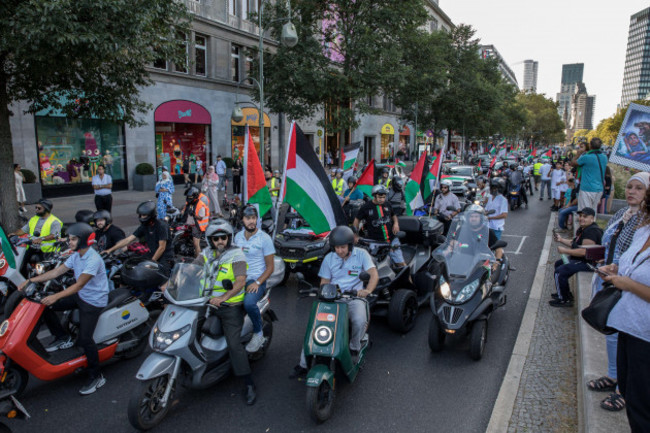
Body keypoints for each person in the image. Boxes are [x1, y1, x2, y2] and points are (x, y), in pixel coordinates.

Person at [19, 223, 108, 395]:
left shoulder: (93, 259)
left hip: (94, 301)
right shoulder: (76, 256)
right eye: (69, 239)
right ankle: (63, 337)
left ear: (82, 240)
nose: (70, 242)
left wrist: (56, 296)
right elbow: (56, 272)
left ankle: (96, 376)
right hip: (81, 296)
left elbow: (79, 285)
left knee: (86, 339)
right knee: (46, 306)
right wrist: (31, 281)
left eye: (73, 239)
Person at [586, 172, 649, 413]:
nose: (631, 191)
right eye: (629, 187)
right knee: (612, 332)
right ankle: (614, 376)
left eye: (639, 188)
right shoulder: (623, 214)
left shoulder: (644, 221)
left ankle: (622, 389)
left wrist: (622, 275)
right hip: (611, 275)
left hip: (625, 285)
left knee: (623, 337)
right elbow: (613, 243)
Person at [290, 225, 379, 378]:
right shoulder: (329, 258)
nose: (339, 251)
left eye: (343, 247)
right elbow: (324, 281)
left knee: (359, 319)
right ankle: (303, 364)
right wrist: (325, 291)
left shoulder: (362, 254)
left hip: (353, 298)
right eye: (337, 247)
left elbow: (373, 275)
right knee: (314, 325)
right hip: (333, 297)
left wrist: (367, 291)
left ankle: (354, 347)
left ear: (350, 245)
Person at [599, 191, 650, 432]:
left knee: (643, 407)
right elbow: (635, 266)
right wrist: (617, 268)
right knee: (632, 396)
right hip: (628, 326)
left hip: (646, 335)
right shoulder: (643, 232)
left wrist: (626, 283)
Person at [194, 219, 257, 405]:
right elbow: (191, 270)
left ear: (228, 238)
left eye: (223, 237)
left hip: (229, 306)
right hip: (205, 303)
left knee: (234, 344)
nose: (220, 241)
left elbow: (240, 281)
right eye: (216, 238)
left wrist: (223, 298)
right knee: (188, 330)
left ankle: (248, 383)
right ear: (210, 240)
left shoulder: (236, 255)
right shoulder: (205, 254)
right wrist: (171, 285)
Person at [233, 206, 275, 353]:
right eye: (248, 218)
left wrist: (257, 282)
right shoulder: (237, 237)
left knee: (249, 303)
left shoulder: (265, 239)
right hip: (238, 278)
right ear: (242, 220)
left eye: (253, 218)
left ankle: (258, 333)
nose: (251, 221)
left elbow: (270, 268)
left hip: (256, 281)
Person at [103, 201, 175, 275]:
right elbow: (129, 239)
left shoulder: (161, 226)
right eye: (140, 215)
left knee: (162, 283)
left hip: (165, 257)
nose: (141, 217)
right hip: (152, 253)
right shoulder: (144, 226)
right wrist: (110, 250)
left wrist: (151, 263)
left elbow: (161, 248)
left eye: (144, 215)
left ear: (151, 215)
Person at [550, 207, 603, 307]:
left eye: (585, 217)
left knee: (560, 272)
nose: (581, 218)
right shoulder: (583, 229)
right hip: (580, 259)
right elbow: (575, 243)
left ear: (592, 219)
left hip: (587, 263)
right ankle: (564, 292)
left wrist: (565, 251)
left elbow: (585, 252)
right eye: (581, 216)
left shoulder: (592, 232)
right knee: (558, 264)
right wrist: (561, 239)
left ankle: (564, 300)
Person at [353, 185, 407, 267]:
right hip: (375, 243)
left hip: (391, 241)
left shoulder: (388, 204)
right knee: (373, 266)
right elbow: (356, 220)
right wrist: (355, 235)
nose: (382, 199)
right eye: (379, 197)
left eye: (384, 197)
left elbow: (393, 215)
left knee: (401, 264)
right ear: (374, 195)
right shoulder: (366, 207)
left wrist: (396, 223)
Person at [10, 198, 62, 274]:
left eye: (39, 208)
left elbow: (54, 235)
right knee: (22, 267)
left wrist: (41, 239)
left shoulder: (55, 222)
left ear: (46, 209)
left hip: (47, 251)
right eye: (36, 207)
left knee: (42, 272)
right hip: (32, 248)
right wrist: (13, 234)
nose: (36, 210)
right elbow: (23, 230)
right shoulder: (33, 219)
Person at [575, 137, 608, 212]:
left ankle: (586, 224)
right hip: (599, 189)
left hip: (587, 189)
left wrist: (578, 153)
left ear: (590, 145)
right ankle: (592, 222)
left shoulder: (586, 157)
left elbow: (573, 163)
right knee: (593, 211)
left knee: (584, 212)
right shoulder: (604, 157)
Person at [183, 186, 210, 257]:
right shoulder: (191, 203)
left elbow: (200, 218)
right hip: (191, 224)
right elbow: (185, 210)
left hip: (198, 226)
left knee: (196, 244)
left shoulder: (200, 204)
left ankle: (198, 259)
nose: (189, 199)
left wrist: (194, 214)